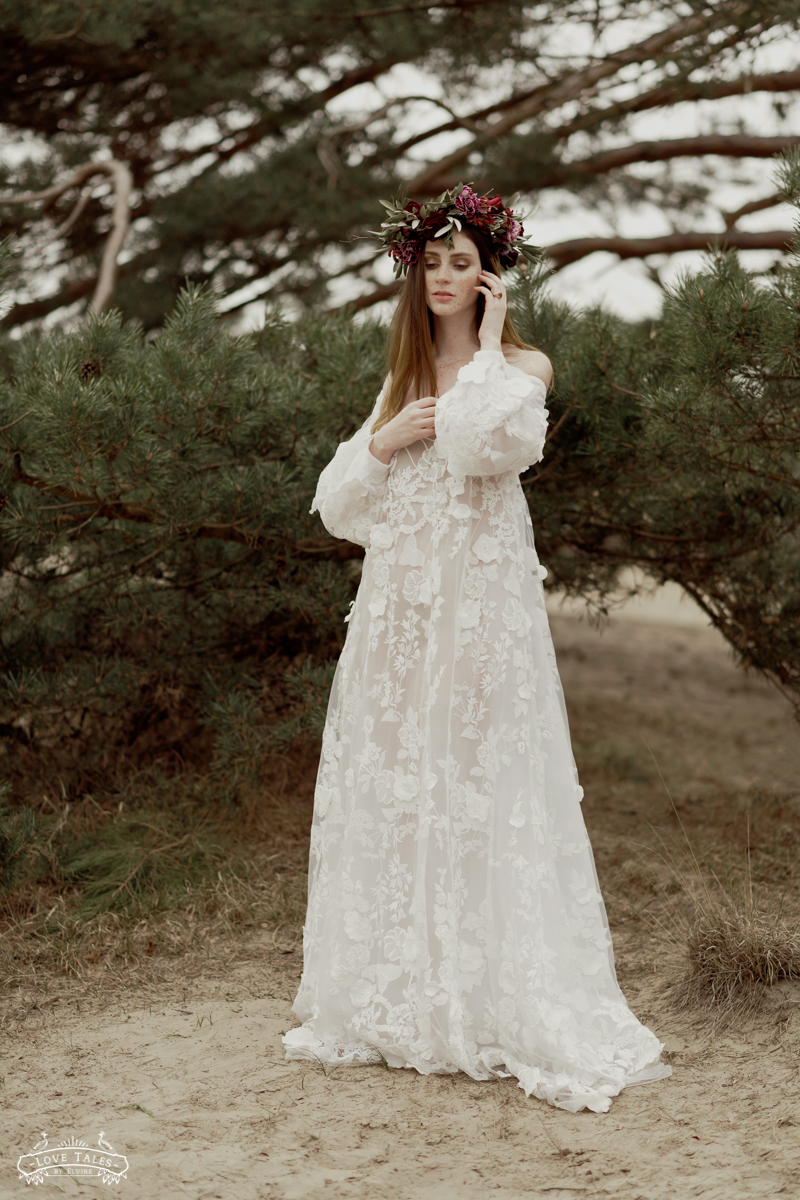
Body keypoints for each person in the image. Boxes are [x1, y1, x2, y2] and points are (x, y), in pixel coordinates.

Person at [282, 185, 672, 1113]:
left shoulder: (524, 366)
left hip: (481, 616)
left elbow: (486, 448)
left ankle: (487, 996)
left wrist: (489, 350)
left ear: (492, 274)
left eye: (465, 263)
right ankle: (400, 998)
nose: (448, 277)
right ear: (413, 276)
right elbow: (340, 505)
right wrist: (384, 440)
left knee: (475, 782)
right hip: (399, 616)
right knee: (400, 781)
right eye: (434, 263)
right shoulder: (400, 380)